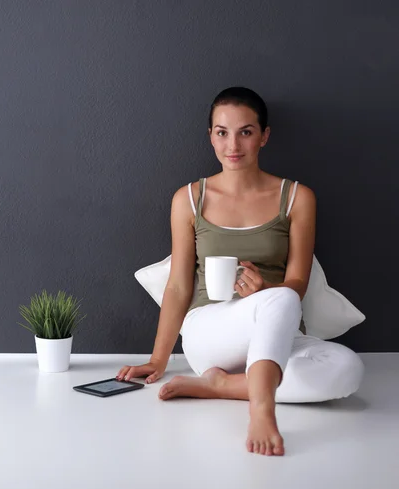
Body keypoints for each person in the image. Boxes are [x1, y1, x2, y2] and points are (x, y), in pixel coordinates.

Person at [116, 87, 364, 457]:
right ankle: (260, 409)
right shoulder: (189, 199)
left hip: (276, 331)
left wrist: (265, 289)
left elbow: (297, 283)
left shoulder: (298, 197)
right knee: (278, 299)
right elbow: (180, 284)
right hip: (210, 332)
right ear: (211, 136)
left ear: (264, 136)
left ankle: (221, 386)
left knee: (348, 369)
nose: (233, 144)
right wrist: (158, 359)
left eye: (246, 132)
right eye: (222, 132)